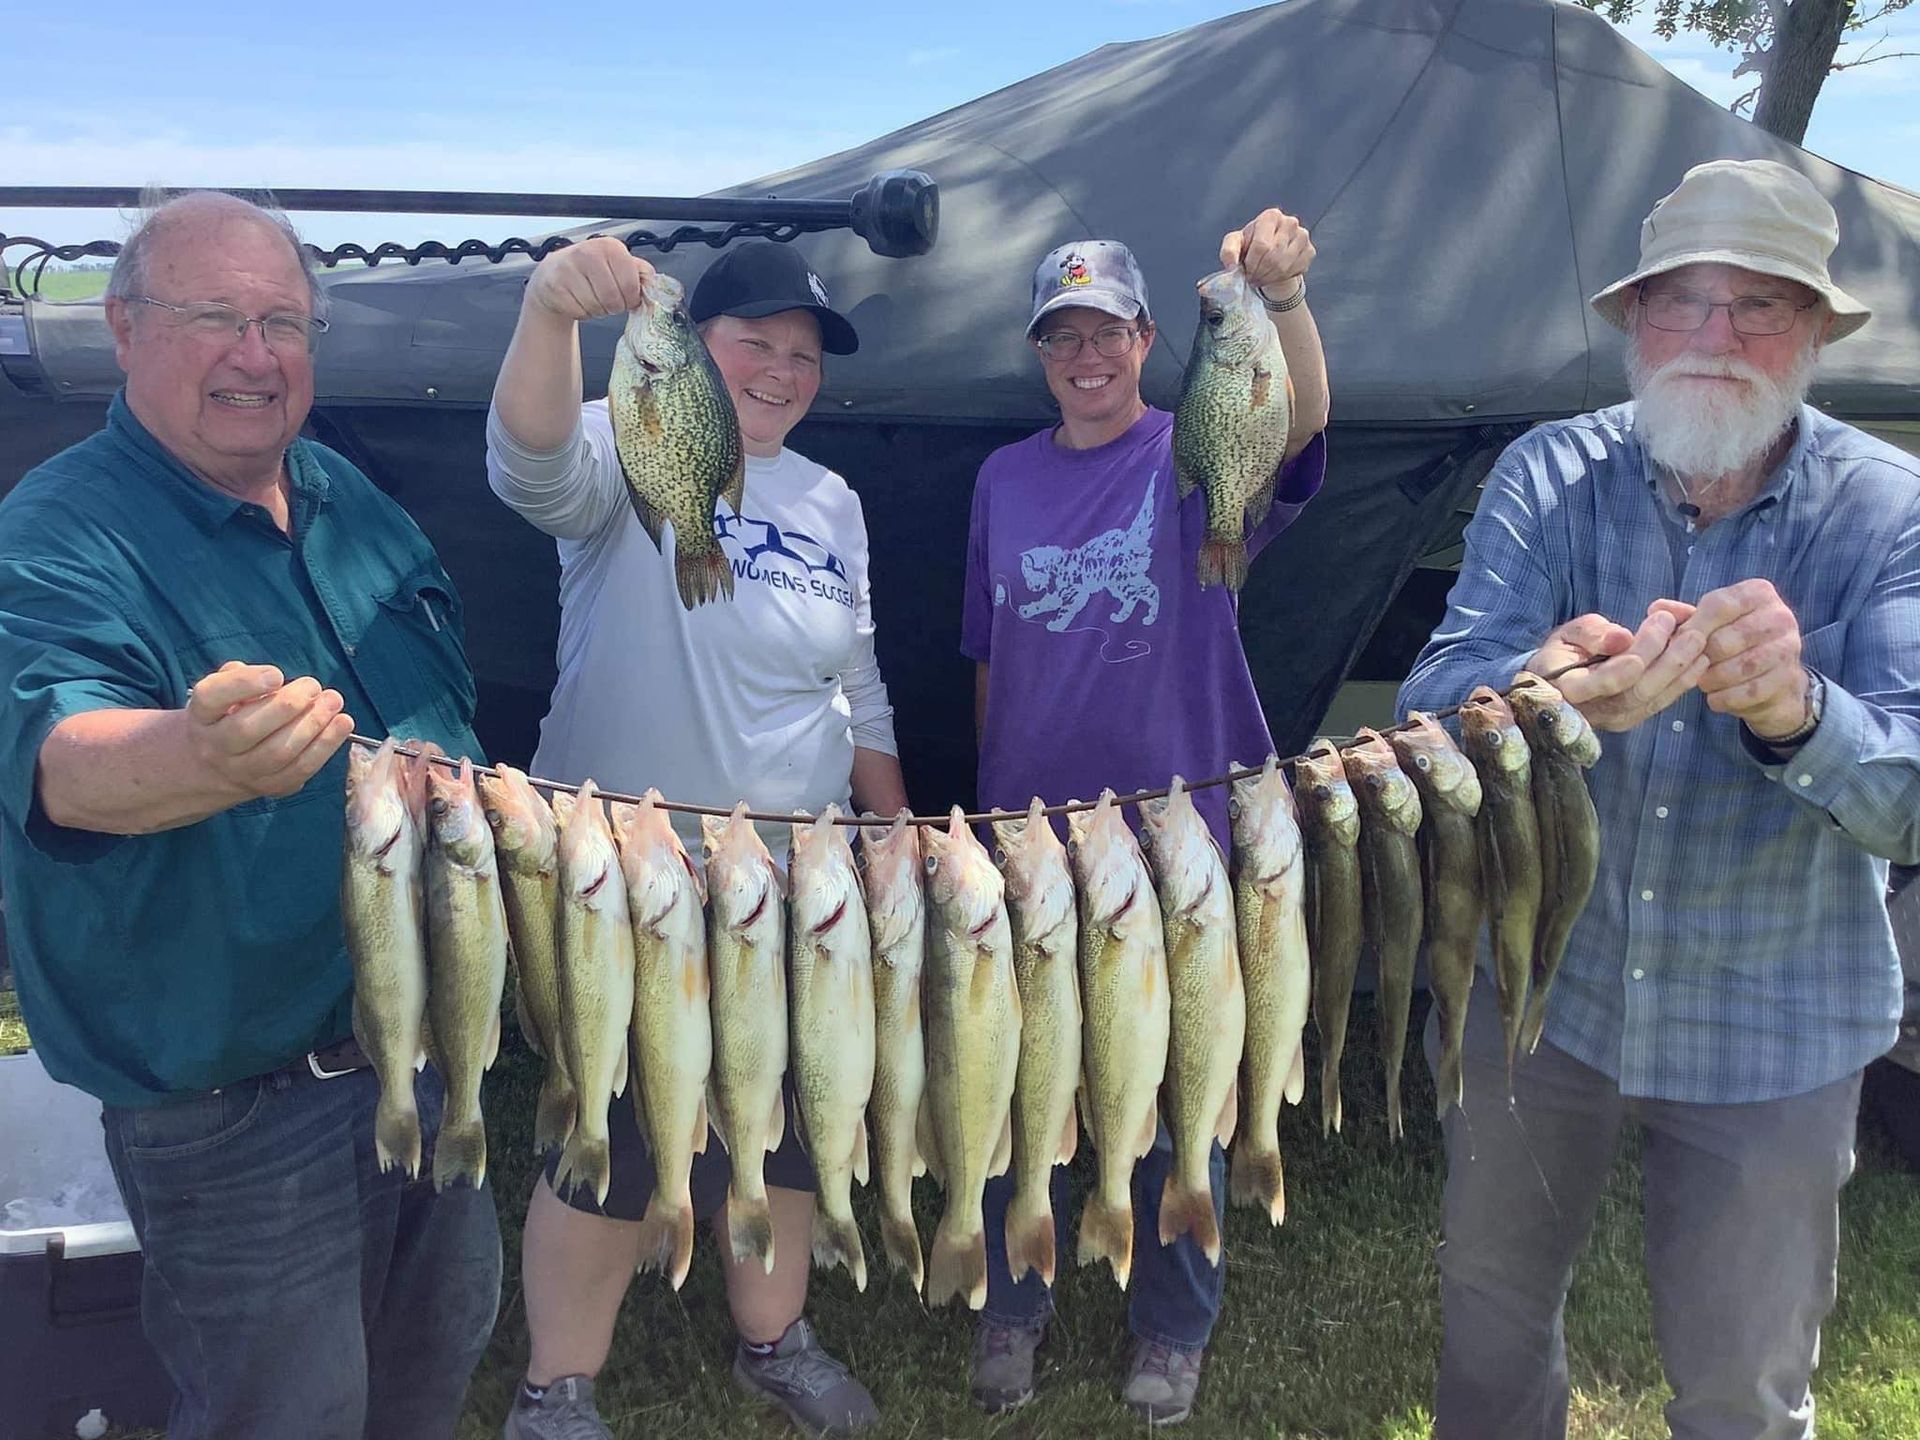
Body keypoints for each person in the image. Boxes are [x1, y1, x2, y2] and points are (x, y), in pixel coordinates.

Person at [1398, 157, 1920, 1440]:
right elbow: (1439, 689)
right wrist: (1541, 688)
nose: (1718, 338)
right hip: (1540, 994)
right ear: (1633, 320)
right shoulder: (1546, 473)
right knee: (1491, 1322)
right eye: (1686, 301)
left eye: (1762, 306)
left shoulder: (1889, 510)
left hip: (1776, 1013)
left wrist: (1799, 715)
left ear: (1814, 333)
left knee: (1744, 1385)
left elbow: (1910, 802)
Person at [0, 191, 500, 1440]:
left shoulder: (345, 493)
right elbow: (60, 757)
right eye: (212, 316)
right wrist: (196, 751)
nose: (256, 353)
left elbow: (440, 705)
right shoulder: (58, 530)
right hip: (237, 1117)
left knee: (434, 1365)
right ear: (122, 327)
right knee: (286, 1412)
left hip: (429, 1053)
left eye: (283, 321)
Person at [488, 236, 907, 1440]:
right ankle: (556, 1386)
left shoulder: (837, 502)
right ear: (687, 350)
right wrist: (550, 313)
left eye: (802, 355)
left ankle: (774, 1340)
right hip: (628, 880)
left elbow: (858, 682)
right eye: (754, 344)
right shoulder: (629, 446)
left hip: (792, 882)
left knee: (776, 1121)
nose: (781, 372)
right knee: (612, 1132)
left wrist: (893, 828)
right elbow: (530, 467)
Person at [961, 211, 1331, 1424]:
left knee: (1187, 1089)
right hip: (1037, 845)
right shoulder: (1002, 478)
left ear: (1147, 339)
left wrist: (1280, 302)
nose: (1086, 354)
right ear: (1039, 350)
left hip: (1191, 841)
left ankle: (1172, 1324)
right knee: (1029, 1085)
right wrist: (992, 795)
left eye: (1107, 331)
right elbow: (988, 646)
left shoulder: (1199, 447)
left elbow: (1306, 420)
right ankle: (1013, 1305)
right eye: (1062, 334)